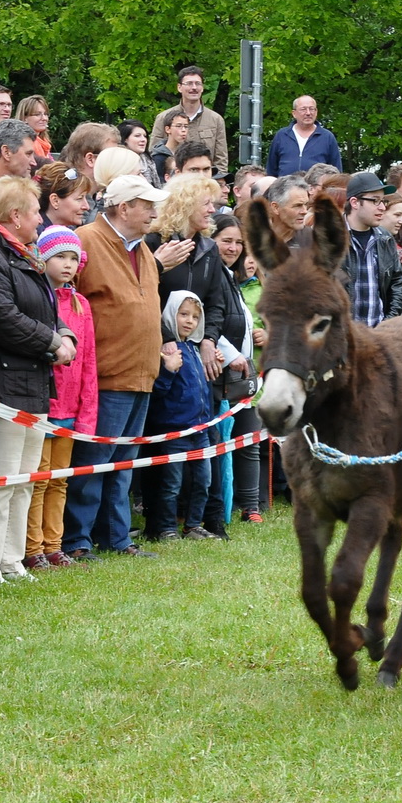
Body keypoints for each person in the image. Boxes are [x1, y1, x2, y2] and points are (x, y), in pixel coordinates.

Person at [0, 176, 73, 583]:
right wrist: (52, 341)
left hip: (33, 382)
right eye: (35, 213)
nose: (40, 221)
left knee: (24, 481)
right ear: (15, 216)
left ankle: (11, 560)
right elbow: (2, 317)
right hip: (3, 383)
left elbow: (45, 305)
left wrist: (63, 332)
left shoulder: (26, 253)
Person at [64, 175, 168, 559]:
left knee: (122, 465)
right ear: (123, 208)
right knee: (93, 464)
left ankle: (116, 538)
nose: (154, 213)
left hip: (141, 374)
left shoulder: (142, 249)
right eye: (147, 205)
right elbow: (66, 301)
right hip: (105, 375)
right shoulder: (86, 241)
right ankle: (76, 541)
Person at [28, 226, 95, 567]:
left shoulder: (81, 305)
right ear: (43, 258)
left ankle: (54, 545)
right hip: (43, 407)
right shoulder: (36, 297)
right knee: (37, 481)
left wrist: (87, 414)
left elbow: (88, 362)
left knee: (59, 481)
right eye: (59, 257)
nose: (67, 265)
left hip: (70, 409)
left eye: (73, 258)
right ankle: (32, 548)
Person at [141, 290, 213, 540]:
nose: (189, 321)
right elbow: (157, 391)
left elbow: (202, 391)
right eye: (183, 314)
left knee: (202, 482)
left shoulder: (194, 350)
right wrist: (168, 370)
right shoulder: (164, 351)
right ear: (171, 314)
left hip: (200, 431)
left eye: (195, 316)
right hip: (174, 430)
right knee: (171, 485)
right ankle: (166, 528)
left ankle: (193, 525)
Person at [206, 213, 260, 530]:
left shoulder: (230, 276)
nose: (234, 247)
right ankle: (212, 507)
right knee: (217, 444)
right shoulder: (210, 275)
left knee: (247, 440)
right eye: (226, 240)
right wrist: (230, 354)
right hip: (219, 371)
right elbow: (208, 321)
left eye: (239, 242)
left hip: (241, 376)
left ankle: (249, 505)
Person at [147, 172, 228, 372]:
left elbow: (215, 302)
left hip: (193, 351)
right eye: (206, 203)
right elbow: (144, 296)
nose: (212, 210)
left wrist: (209, 339)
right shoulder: (154, 241)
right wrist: (164, 336)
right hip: (157, 351)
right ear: (185, 206)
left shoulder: (210, 248)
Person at [336, 170, 402, 327]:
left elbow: (397, 282)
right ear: (354, 202)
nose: (381, 207)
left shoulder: (385, 238)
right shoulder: (331, 237)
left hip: (378, 336)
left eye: (383, 201)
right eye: (375, 201)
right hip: (342, 338)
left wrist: (388, 324)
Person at [150, 66, 228, 168]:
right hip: (173, 180)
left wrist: (216, 182)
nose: (194, 87)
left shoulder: (216, 119)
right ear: (179, 87)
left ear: (202, 87)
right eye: (189, 83)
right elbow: (154, 154)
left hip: (204, 180)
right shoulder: (163, 118)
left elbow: (221, 160)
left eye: (198, 83)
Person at [265, 95, 341, 178]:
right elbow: (271, 168)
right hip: (285, 188)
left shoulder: (327, 137)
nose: (308, 113)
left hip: (315, 188)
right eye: (303, 109)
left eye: (311, 109)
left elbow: (336, 170)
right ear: (294, 113)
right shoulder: (282, 135)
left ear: (316, 112)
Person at [37, 161, 93, 231]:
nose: (86, 206)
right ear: (55, 201)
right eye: (79, 199)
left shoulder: (70, 233)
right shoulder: (34, 236)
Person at [261, 174, 312, 242]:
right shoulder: (252, 238)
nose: (305, 211)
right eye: (297, 205)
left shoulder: (312, 239)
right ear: (275, 207)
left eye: (306, 204)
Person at [148, 111, 186, 181]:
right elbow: (158, 183)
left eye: (186, 126)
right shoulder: (158, 157)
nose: (183, 130)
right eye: (178, 126)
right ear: (168, 129)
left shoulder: (188, 153)